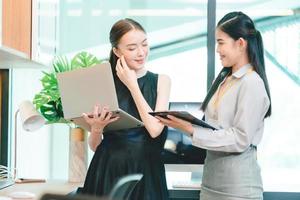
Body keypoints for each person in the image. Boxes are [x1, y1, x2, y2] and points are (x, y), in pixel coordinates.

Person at [157, 11, 271, 200]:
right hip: (211, 182)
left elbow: (240, 139)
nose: (217, 49)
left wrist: (190, 129)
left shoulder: (252, 83)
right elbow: (213, 128)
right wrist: (186, 125)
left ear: (240, 43)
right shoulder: (223, 80)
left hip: (238, 188)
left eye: (221, 42)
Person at [78, 18, 171, 200]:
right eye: (132, 48)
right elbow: (96, 146)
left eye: (144, 45)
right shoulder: (104, 83)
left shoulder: (162, 81)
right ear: (116, 51)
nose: (141, 53)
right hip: (108, 170)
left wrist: (132, 85)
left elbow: (154, 130)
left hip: (147, 172)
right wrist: (96, 128)